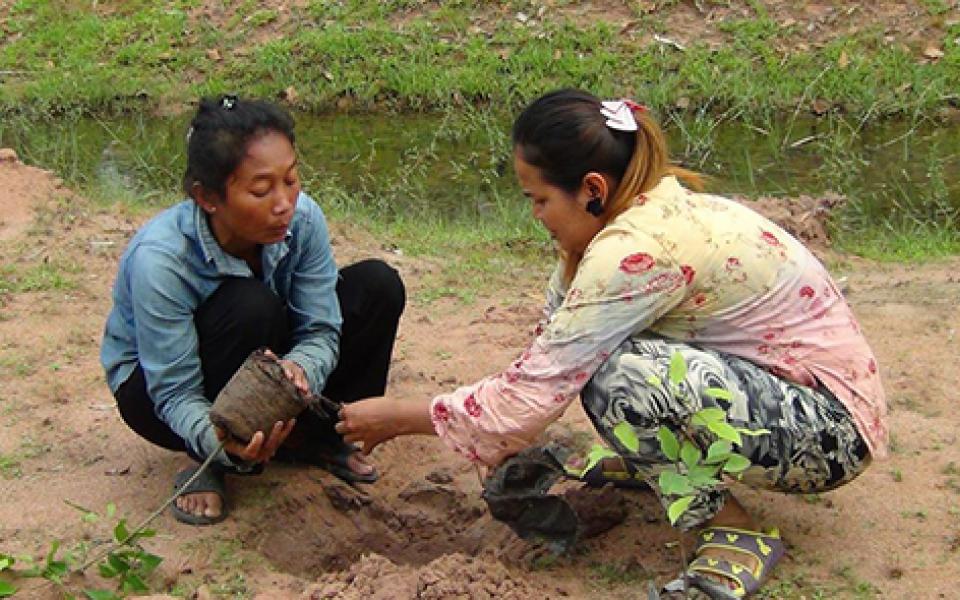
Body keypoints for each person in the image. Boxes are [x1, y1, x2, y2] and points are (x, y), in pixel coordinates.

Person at [335, 89, 887, 598]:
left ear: (592, 190)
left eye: (539, 198)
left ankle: (735, 532)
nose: (535, 215)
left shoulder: (636, 251)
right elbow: (549, 354)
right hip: (780, 397)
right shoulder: (634, 213)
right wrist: (496, 427)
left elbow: (530, 396)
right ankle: (662, 464)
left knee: (617, 380)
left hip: (829, 433)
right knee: (605, 369)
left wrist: (399, 417)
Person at [101, 96, 405, 526]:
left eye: (291, 179)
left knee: (377, 286)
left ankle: (313, 438)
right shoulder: (161, 259)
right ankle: (209, 460)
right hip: (154, 392)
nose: (284, 203)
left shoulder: (303, 219)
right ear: (206, 197)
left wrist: (300, 371)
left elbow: (320, 330)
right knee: (249, 304)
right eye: (261, 190)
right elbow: (172, 391)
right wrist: (218, 441)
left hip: (264, 356)